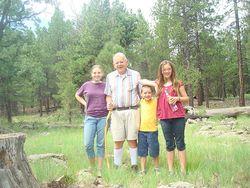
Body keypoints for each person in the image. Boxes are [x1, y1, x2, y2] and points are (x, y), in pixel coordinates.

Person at [104, 52, 141, 171]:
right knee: (118, 139)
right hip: (116, 113)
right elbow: (108, 95)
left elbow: (142, 94)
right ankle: (117, 165)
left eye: (121, 61)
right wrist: (108, 103)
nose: (119, 64)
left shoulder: (135, 75)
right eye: (117, 62)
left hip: (132, 110)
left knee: (132, 139)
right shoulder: (110, 76)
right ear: (113, 64)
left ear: (126, 62)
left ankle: (134, 165)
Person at [156, 60, 189, 175]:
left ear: (172, 70)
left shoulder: (177, 83)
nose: (166, 71)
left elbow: (187, 98)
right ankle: (171, 170)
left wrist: (177, 98)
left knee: (180, 142)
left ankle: (183, 170)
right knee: (169, 144)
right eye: (164, 69)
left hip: (178, 117)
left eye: (168, 69)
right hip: (164, 118)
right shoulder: (158, 84)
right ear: (161, 71)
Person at [75, 65, 108, 177]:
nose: (97, 74)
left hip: (103, 117)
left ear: (102, 74)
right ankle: (92, 166)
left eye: (99, 72)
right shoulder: (86, 85)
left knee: (100, 144)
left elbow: (109, 97)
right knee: (88, 144)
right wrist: (85, 103)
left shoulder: (105, 85)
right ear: (91, 74)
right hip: (90, 117)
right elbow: (77, 95)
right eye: (94, 73)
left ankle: (99, 169)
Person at [137, 84, 159, 175]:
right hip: (141, 131)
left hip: (152, 130)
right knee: (142, 151)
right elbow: (138, 115)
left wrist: (150, 84)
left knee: (154, 150)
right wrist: (137, 126)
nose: (147, 94)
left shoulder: (155, 101)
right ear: (141, 94)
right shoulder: (140, 103)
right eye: (145, 93)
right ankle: (143, 170)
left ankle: (157, 168)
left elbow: (157, 87)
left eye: (149, 92)